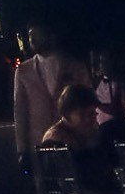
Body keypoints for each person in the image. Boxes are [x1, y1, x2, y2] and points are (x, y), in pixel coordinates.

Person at [40, 83, 125, 194]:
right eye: (82, 114)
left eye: (92, 114)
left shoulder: (87, 132)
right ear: (67, 114)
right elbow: (67, 185)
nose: (89, 119)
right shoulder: (56, 141)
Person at [9, 24, 92, 157]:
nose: (32, 41)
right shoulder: (24, 71)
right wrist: (21, 150)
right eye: (30, 37)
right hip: (38, 144)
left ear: (51, 37)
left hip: (73, 142)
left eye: (37, 36)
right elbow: (20, 111)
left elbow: (88, 103)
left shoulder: (75, 66)